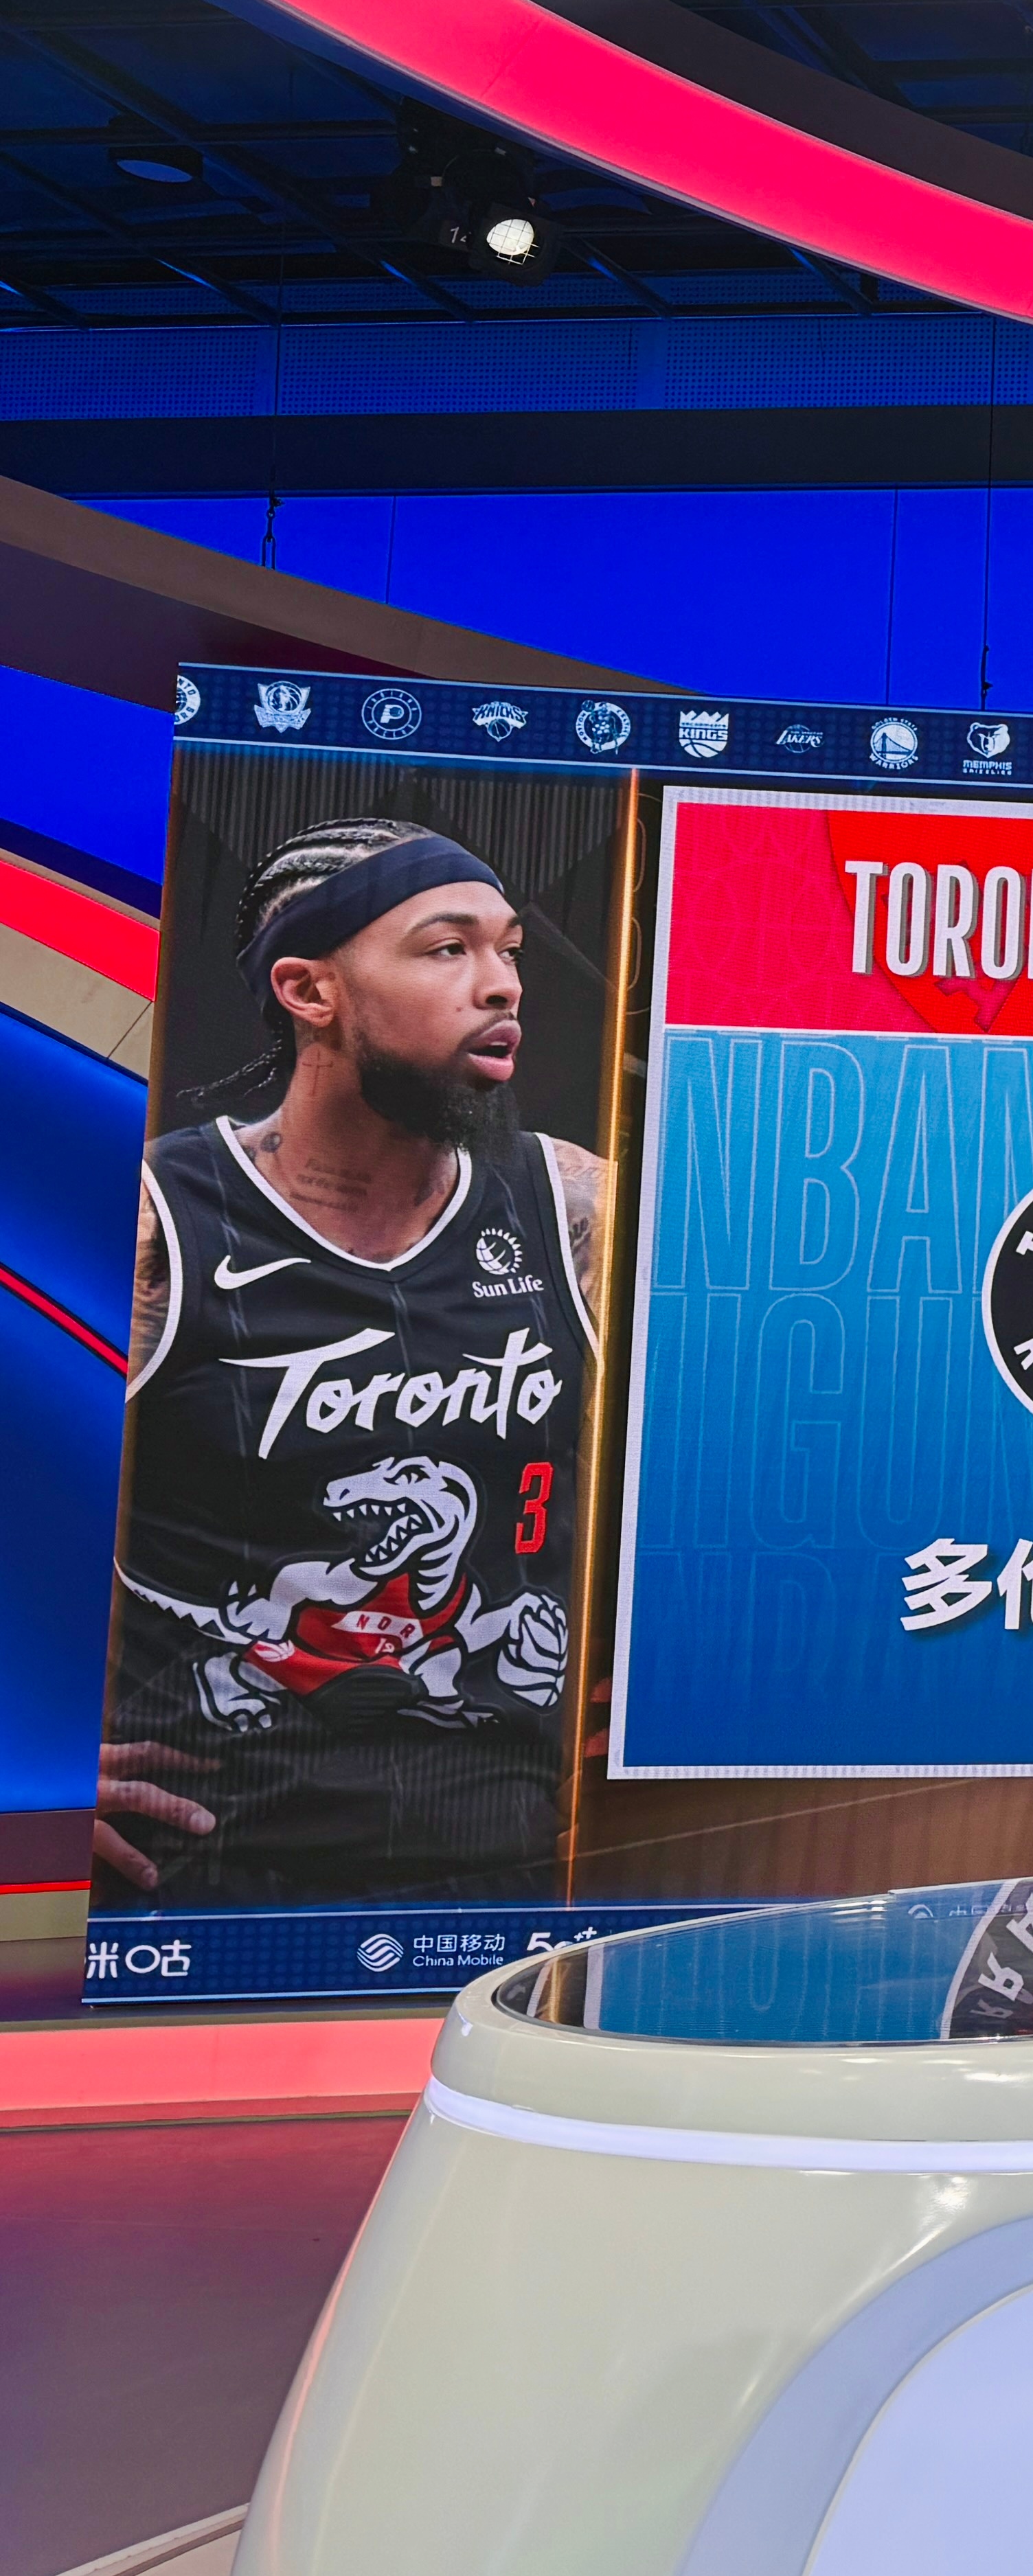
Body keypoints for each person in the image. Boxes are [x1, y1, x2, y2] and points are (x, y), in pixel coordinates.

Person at [98, 817, 611, 1906]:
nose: (503, 984)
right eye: (447, 948)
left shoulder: (572, 1207)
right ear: (309, 990)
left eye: (509, 949)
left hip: (501, 1854)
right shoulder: (151, 1223)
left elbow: (741, 1465)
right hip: (206, 1857)